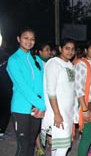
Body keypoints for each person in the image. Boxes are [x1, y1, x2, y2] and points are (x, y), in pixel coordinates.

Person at [6, 28, 46, 156]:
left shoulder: (37, 60)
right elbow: (22, 87)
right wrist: (41, 105)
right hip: (21, 108)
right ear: (18, 39)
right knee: (23, 146)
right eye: (26, 38)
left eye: (32, 39)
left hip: (37, 108)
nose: (29, 41)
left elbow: (43, 84)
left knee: (31, 143)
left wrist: (42, 105)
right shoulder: (14, 60)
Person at [41, 38, 76, 156]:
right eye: (67, 48)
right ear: (60, 49)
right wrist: (57, 113)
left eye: (72, 49)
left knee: (58, 146)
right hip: (58, 112)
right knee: (63, 146)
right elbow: (51, 91)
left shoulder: (70, 64)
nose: (70, 51)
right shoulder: (54, 63)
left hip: (68, 112)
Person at [74, 40, 91, 156]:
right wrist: (84, 110)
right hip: (85, 104)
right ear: (86, 50)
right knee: (87, 135)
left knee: (88, 135)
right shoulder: (82, 64)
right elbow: (78, 88)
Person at [35, 42, 52, 156]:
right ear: (40, 52)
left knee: (48, 122)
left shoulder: (50, 62)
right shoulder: (36, 62)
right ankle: (39, 146)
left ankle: (50, 143)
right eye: (46, 50)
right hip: (38, 98)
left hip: (48, 98)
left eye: (49, 49)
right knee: (37, 124)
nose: (49, 52)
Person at [0, 47, 13, 141]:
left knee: (5, 110)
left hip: (6, 88)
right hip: (4, 89)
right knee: (5, 111)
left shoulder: (4, 54)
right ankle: (1, 131)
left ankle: (2, 129)